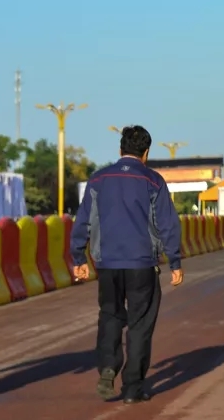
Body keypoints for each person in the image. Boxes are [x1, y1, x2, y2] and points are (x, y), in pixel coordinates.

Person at [71, 125, 183, 405]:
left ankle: (108, 366)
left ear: (120, 150)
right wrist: (175, 261)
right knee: (140, 324)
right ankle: (133, 388)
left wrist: (78, 257)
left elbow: (83, 220)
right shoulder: (153, 181)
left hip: (107, 263)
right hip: (141, 264)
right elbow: (167, 224)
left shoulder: (98, 179)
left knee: (110, 314)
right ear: (146, 153)